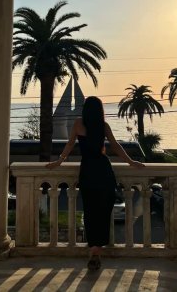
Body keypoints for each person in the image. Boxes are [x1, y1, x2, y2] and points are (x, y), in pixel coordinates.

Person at [46, 96, 145, 270]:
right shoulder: (103, 126)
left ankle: (94, 250)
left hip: (88, 170)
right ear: (100, 110)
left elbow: (69, 145)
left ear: (85, 109)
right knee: (104, 209)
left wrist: (59, 161)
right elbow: (115, 146)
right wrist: (131, 162)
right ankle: (97, 250)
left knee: (90, 210)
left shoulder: (78, 123)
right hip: (103, 169)